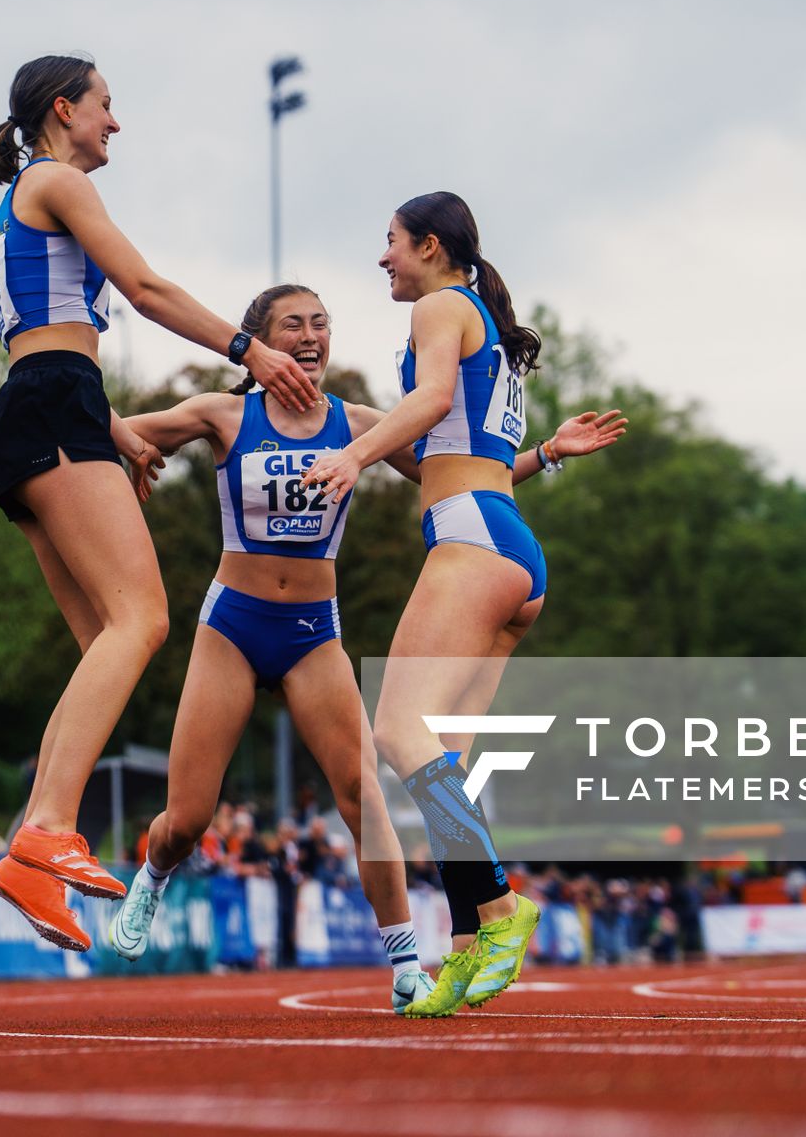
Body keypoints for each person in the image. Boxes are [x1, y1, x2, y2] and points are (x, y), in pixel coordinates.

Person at [108, 283, 623, 1011]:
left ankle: (406, 963)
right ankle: (154, 875)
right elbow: (108, 432)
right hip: (232, 625)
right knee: (188, 817)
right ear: (258, 342)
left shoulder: (357, 425)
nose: (312, 336)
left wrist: (547, 452)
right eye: (293, 325)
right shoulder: (223, 415)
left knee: (366, 801)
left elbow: (465, 474)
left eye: (322, 323)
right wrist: (104, 427)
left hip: (314, 633)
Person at [0, 54, 319, 950]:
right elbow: (146, 289)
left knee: (103, 647)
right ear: (63, 111)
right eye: (106, 107)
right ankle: (45, 830)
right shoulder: (53, 179)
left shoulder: (20, 202)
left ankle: (36, 851)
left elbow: (46, 343)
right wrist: (250, 350)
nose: (115, 124)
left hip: (38, 413)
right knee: (144, 622)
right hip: (52, 407)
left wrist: (116, 429)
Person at [305, 192, 569, 1016]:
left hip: (471, 540)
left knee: (395, 732)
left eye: (389, 243)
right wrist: (550, 457)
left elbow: (427, 406)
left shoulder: (443, 306)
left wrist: (350, 455)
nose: (382, 258)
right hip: (508, 543)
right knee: (442, 762)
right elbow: (459, 451)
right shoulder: (477, 312)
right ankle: (463, 949)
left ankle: (499, 911)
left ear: (428, 244)